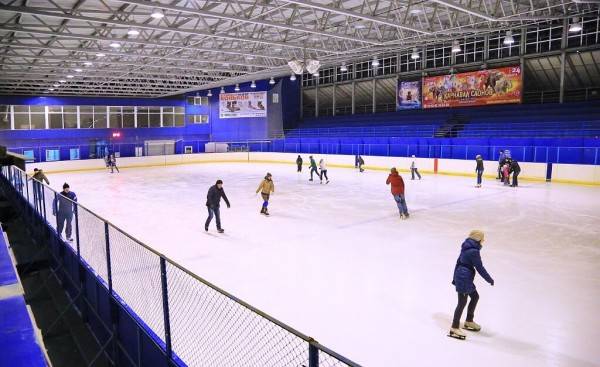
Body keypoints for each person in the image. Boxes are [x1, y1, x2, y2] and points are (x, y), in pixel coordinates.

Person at [449, 230, 494, 340]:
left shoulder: (466, 246)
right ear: (478, 239)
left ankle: (469, 321)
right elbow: (480, 268)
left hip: (463, 276)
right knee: (462, 302)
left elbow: (458, 262)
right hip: (464, 277)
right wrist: (489, 279)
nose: (483, 241)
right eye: (482, 239)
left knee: (474, 296)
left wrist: (455, 277)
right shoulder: (473, 251)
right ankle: (454, 327)